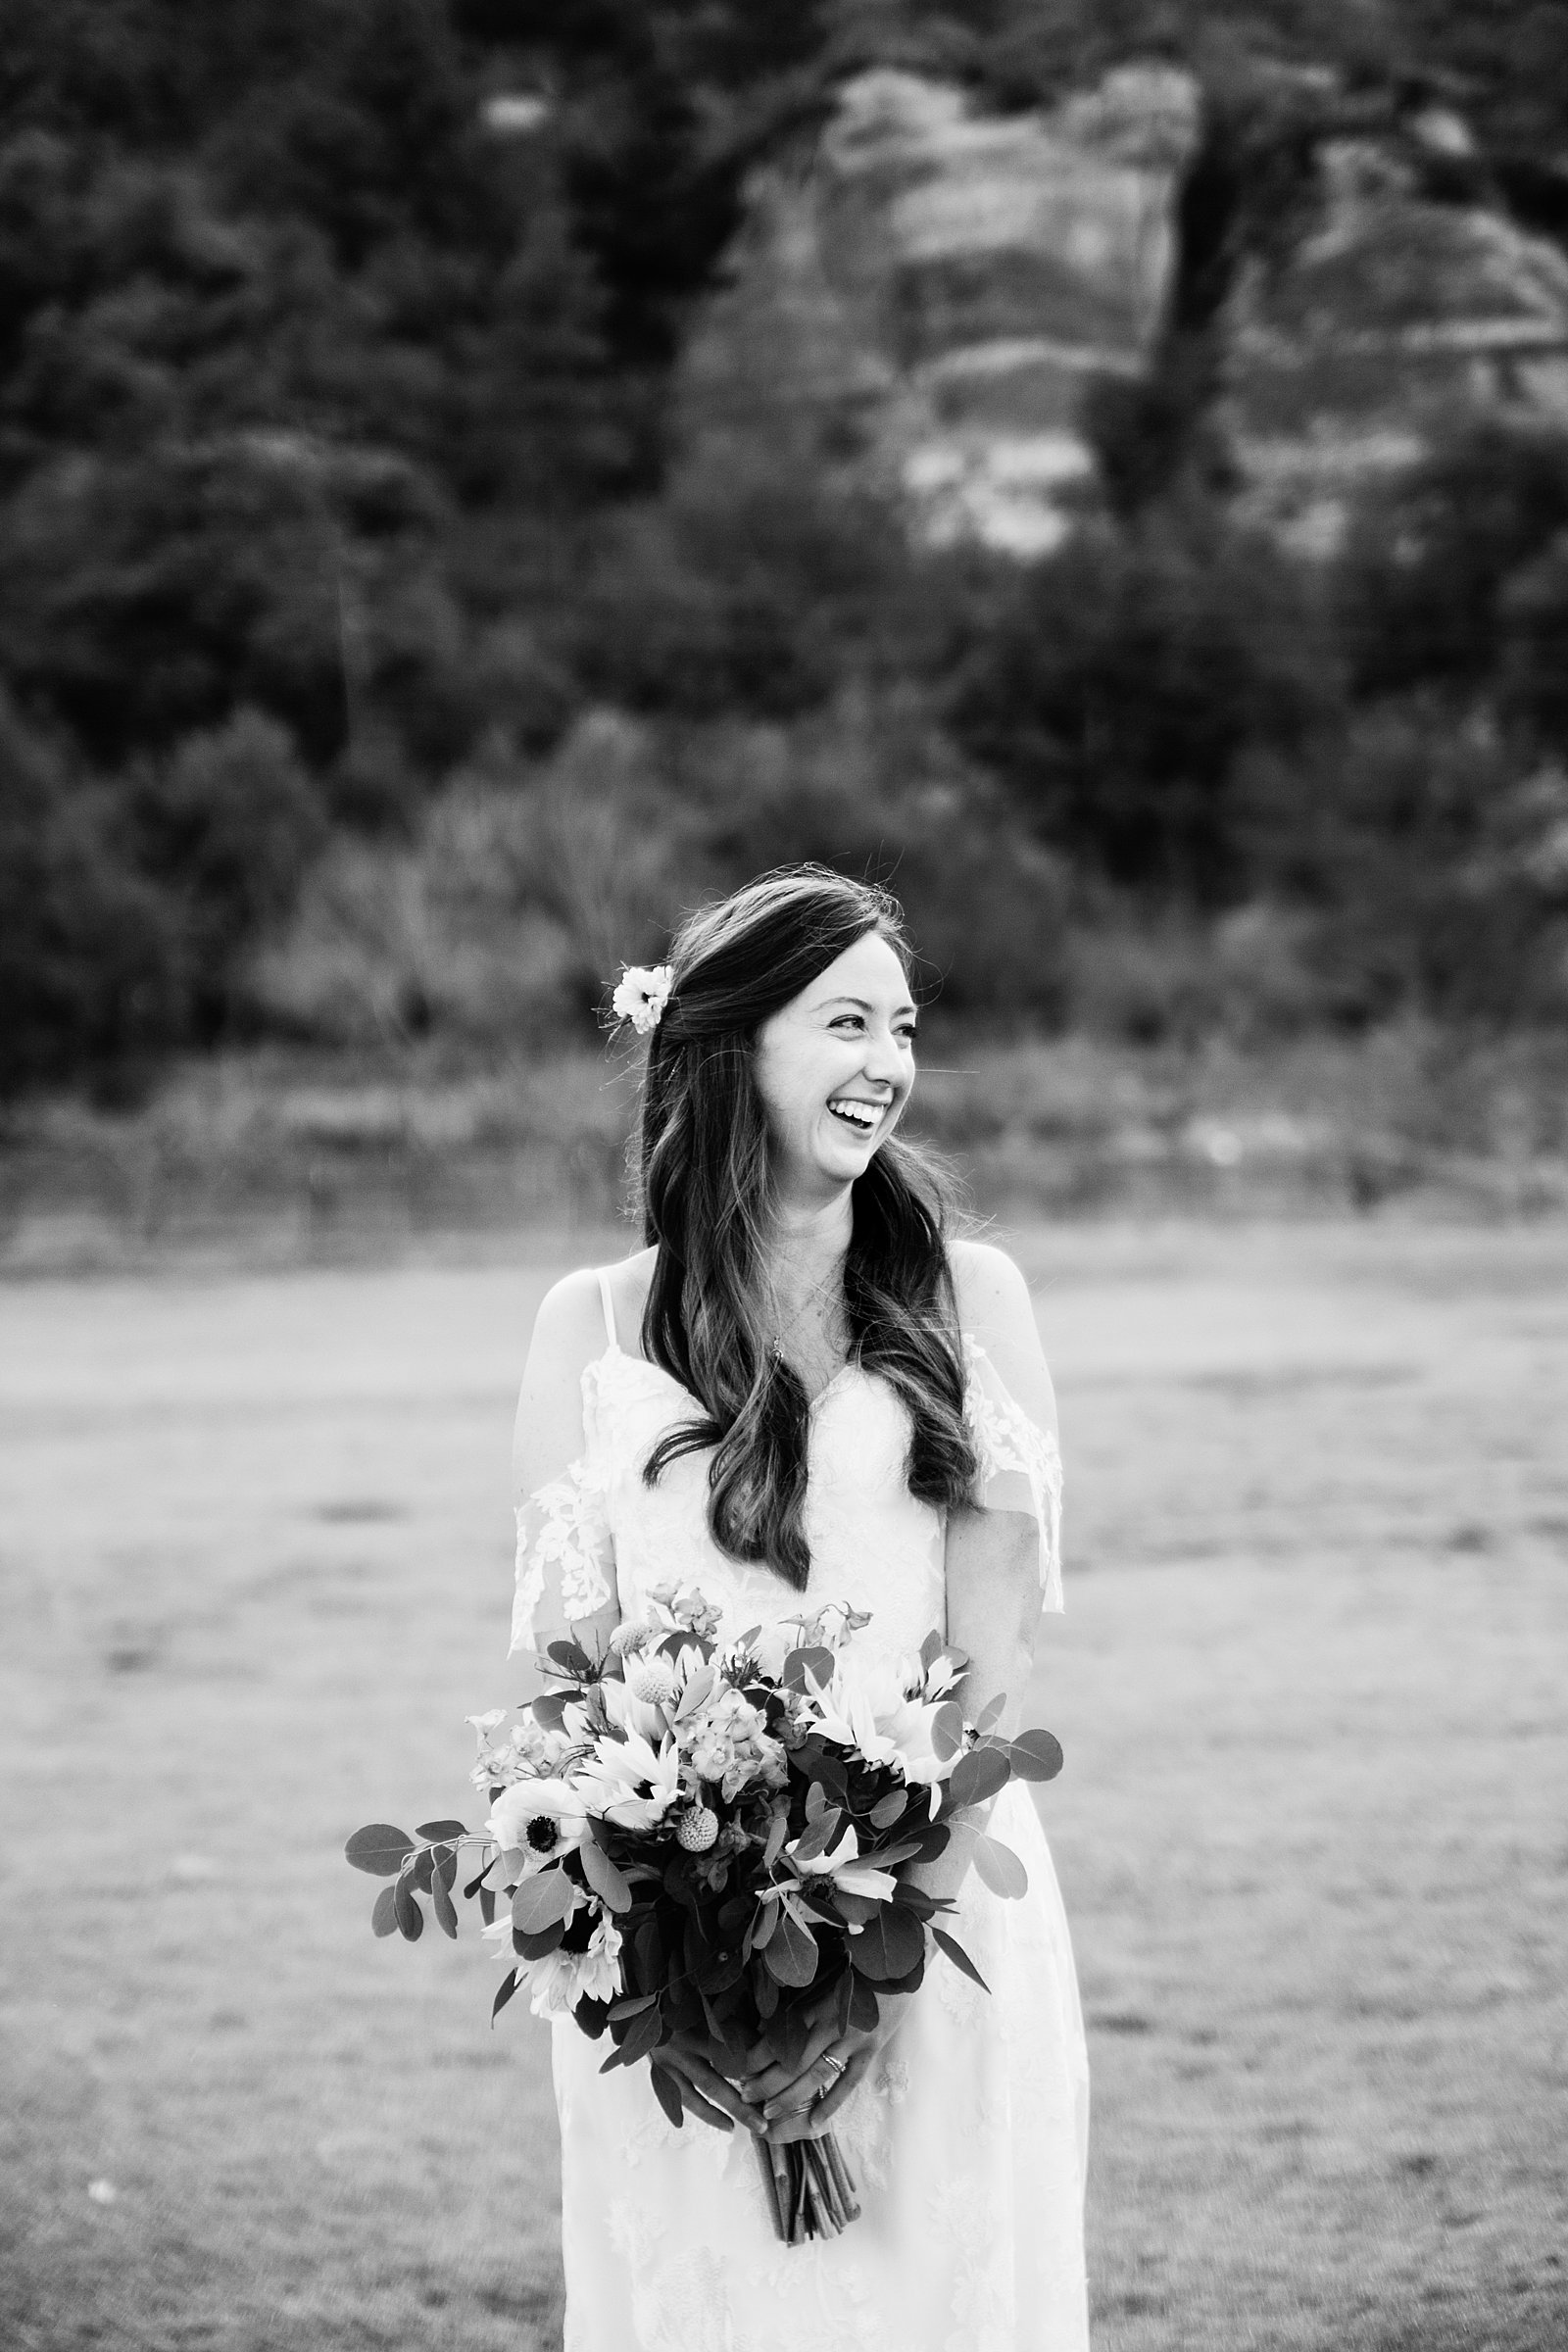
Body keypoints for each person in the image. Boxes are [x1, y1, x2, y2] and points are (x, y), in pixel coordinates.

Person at [510, 867, 1090, 2352]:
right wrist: (699, 1991)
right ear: (730, 1046)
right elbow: (571, 1688)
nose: (888, 1062)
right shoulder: (590, 1324)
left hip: (942, 1932)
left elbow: (992, 1667)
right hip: (678, 1973)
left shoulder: (972, 1298)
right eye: (845, 1023)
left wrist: (859, 1996)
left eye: (901, 1026)